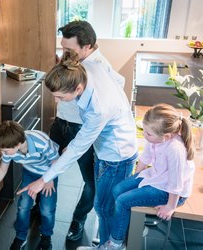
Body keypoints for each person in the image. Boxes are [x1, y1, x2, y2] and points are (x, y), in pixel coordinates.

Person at [18, 50, 138, 246]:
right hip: (107, 146)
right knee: (103, 204)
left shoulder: (98, 109)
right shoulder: (90, 67)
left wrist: (43, 179)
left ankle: (110, 245)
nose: (56, 101)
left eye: (60, 97)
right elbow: (119, 79)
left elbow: (77, 149)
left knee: (104, 208)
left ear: (78, 88)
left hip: (116, 155)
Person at [78, 104, 196, 250]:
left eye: (148, 134)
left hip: (171, 192)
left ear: (166, 136)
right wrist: (132, 181)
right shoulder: (156, 138)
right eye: (144, 131)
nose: (145, 135)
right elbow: (145, 159)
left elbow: (176, 182)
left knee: (122, 201)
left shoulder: (175, 149)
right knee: (117, 189)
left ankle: (115, 243)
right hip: (157, 178)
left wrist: (170, 206)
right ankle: (121, 231)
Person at [49, 20, 126, 242]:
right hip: (60, 122)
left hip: (80, 128)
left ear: (88, 46)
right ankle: (44, 207)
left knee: (90, 181)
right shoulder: (75, 59)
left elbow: (118, 83)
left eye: (68, 50)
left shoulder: (98, 65)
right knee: (50, 166)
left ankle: (78, 220)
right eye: (63, 48)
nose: (64, 53)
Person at [0, 121, 60, 250]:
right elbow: (2, 170)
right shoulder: (9, 148)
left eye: (4, 150)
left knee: (47, 209)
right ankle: (20, 238)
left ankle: (46, 237)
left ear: (17, 144)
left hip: (49, 173)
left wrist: (49, 179)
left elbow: (56, 161)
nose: (2, 152)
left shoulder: (41, 142)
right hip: (29, 172)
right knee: (23, 206)